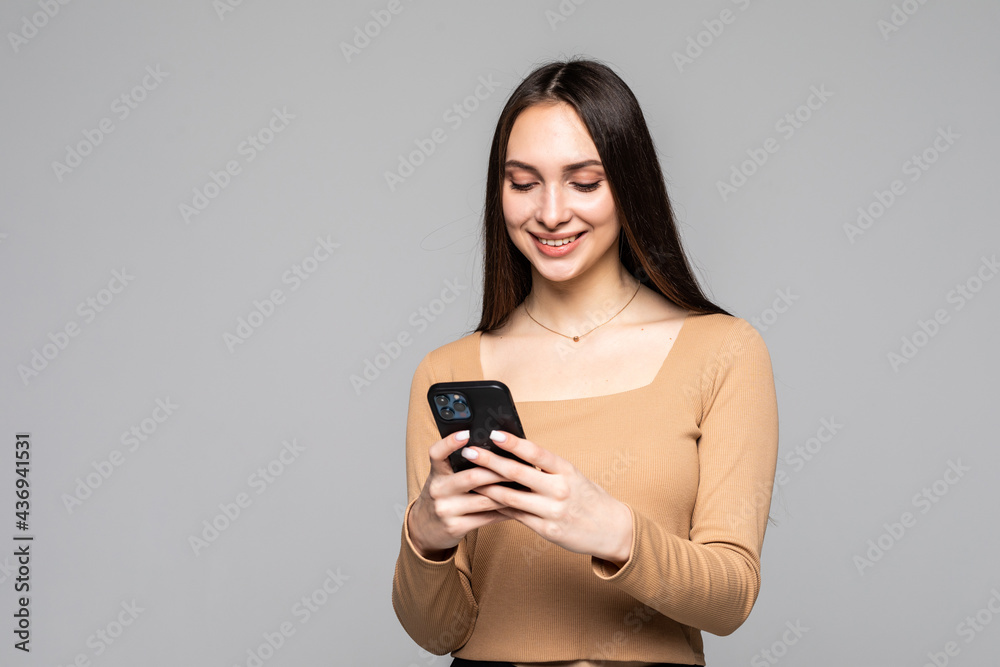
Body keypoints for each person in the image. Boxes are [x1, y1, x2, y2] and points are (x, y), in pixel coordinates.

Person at [391, 57, 779, 667]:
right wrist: (426, 538)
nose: (550, 213)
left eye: (584, 181)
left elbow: (730, 598)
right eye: (523, 183)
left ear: (629, 184)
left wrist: (614, 532)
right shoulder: (447, 373)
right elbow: (438, 632)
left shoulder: (723, 351)